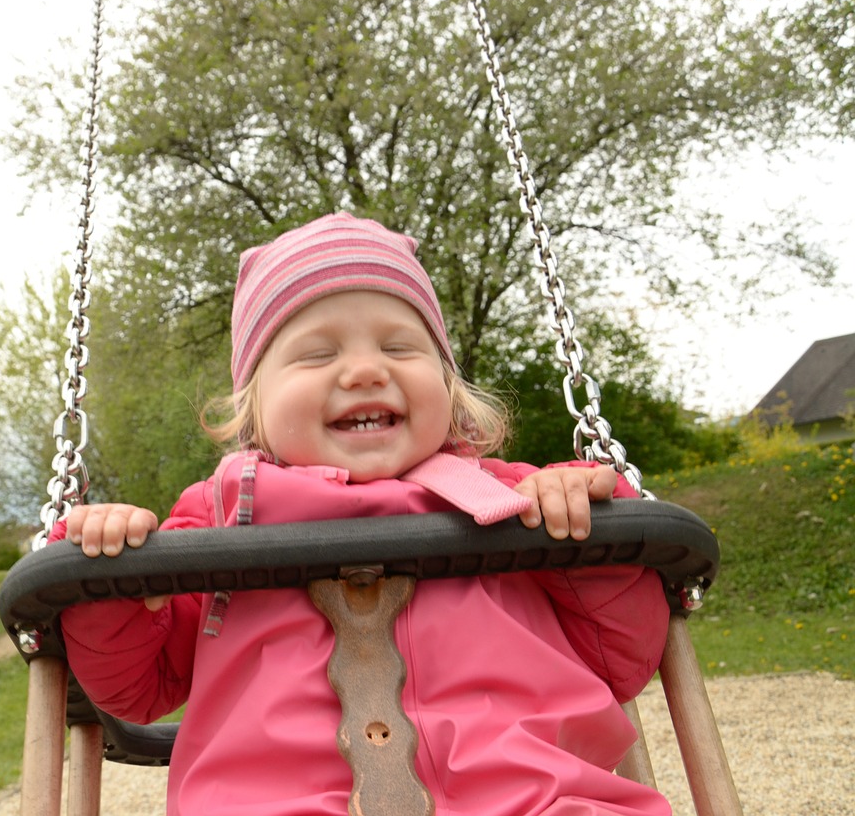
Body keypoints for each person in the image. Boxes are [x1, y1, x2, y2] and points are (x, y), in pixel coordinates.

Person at [51, 212, 671, 815]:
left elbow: (623, 658)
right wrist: (113, 583)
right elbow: (136, 686)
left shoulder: (513, 501)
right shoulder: (215, 520)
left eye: (400, 347)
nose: (367, 370)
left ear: (450, 389)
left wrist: (590, 533)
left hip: (532, 798)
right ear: (253, 412)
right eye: (317, 355)